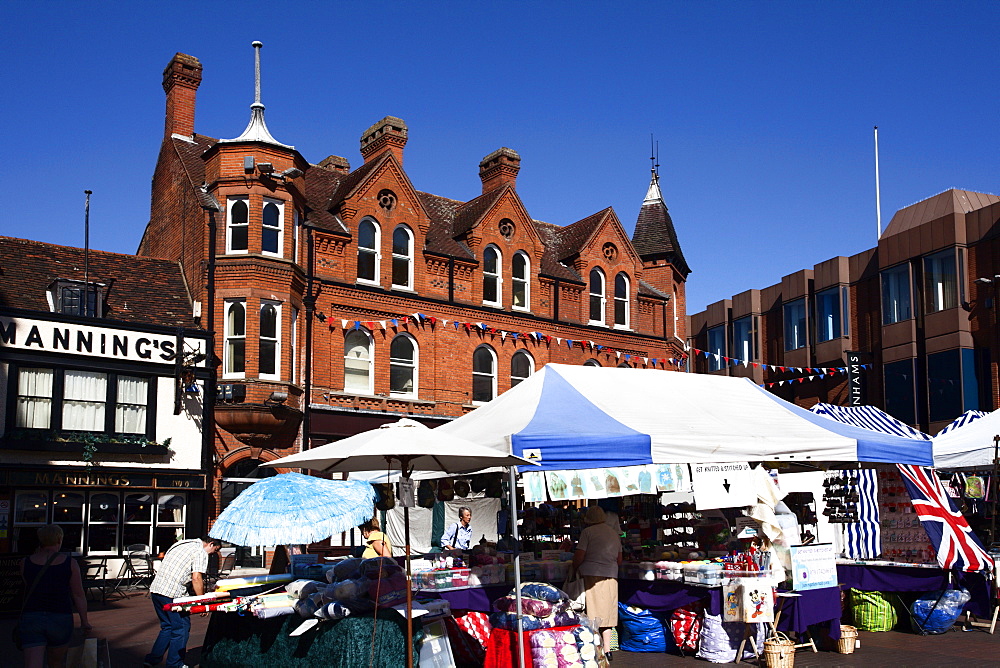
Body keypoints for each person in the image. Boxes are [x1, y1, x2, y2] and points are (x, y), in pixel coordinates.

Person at [19, 524, 91, 668]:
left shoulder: (25, 562)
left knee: (32, 664)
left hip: (32, 615)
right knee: (56, 663)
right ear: (59, 540)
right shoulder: (70, 563)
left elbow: (28, 585)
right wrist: (84, 621)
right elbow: (78, 595)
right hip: (60, 616)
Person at [144, 537, 221, 668]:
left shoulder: (183, 543)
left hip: (157, 589)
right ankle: (175, 664)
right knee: (181, 628)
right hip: (173, 593)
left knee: (167, 626)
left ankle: (152, 659)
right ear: (211, 544)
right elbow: (196, 578)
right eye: (215, 550)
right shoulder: (200, 552)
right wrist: (202, 602)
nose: (213, 553)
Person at [572, 506, 621, 658]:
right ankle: (608, 649)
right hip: (612, 575)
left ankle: (594, 648)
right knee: (607, 613)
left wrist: (574, 568)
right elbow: (619, 559)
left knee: (592, 613)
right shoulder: (614, 533)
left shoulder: (587, 532)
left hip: (592, 574)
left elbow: (579, 555)